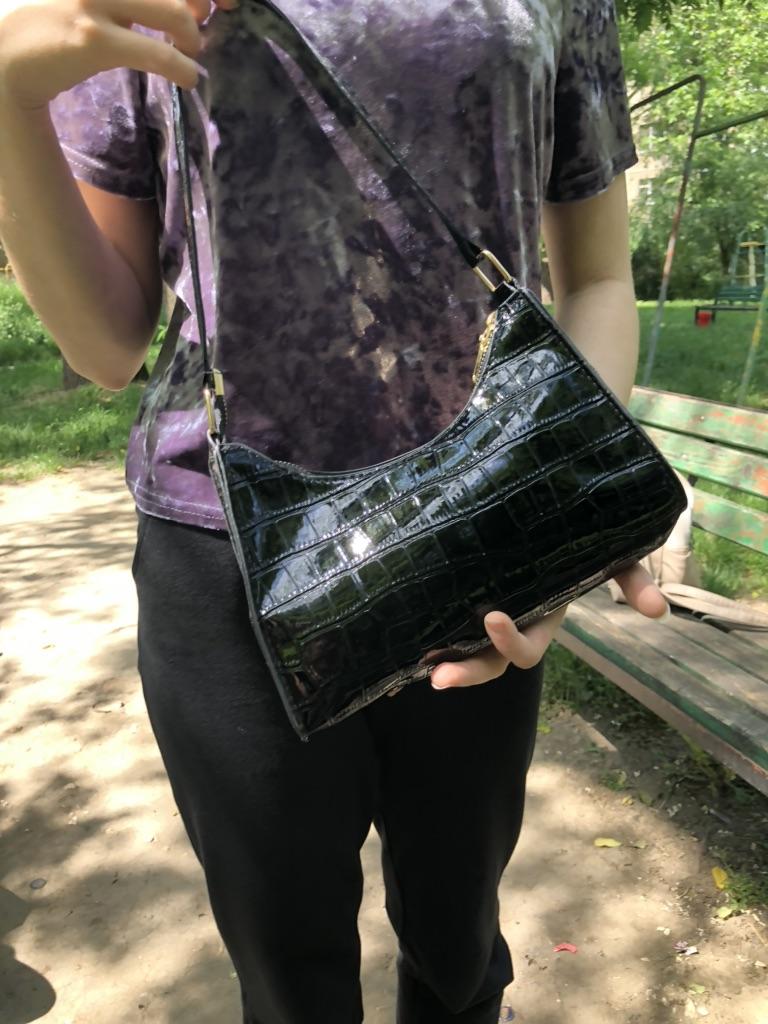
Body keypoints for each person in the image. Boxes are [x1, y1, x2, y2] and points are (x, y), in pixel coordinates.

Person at [0, 1, 669, 1021]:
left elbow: (601, 276)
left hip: (482, 528)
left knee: (459, 952)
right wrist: (6, 103)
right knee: (287, 979)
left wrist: (562, 503)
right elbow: (107, 344)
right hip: (232, 562)